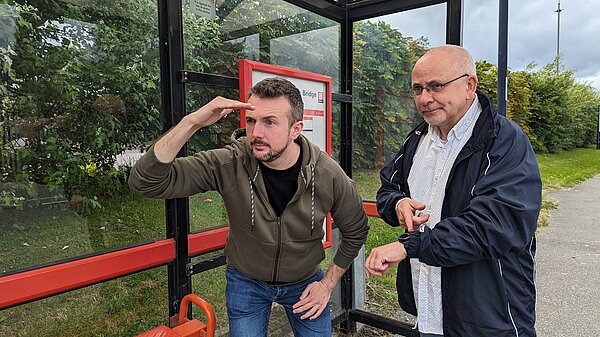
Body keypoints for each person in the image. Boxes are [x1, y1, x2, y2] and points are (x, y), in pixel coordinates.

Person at [129, 77, 369, 337]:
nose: (256, 133)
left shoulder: (327, 174)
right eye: (252, 121)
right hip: (246, 282)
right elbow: (145, 182)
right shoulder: (230, 164)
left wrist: (327, 284)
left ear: (296, 129)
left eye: (270, 122)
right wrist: (192, 122)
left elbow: (356, 230)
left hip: (305, 282)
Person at [364, 45, 541, 337]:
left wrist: (410, 246)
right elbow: (388, 188)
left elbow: (496, 224)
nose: (424, 98)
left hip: (487, 316)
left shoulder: (504, 140)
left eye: (435, 86)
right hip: (428, 308)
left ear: (469, 85)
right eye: (417, 88)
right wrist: (398, 204)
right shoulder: (418, 138)